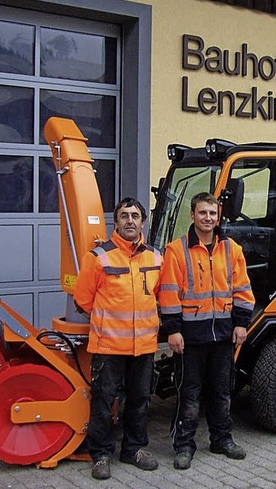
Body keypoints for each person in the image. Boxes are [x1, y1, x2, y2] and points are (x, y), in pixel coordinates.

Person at [159, 192, 255, 470]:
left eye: (213, 214)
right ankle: (184, 446)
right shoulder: (176, 250)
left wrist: (241, 323)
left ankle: (222, 439)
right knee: (189, 394)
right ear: (192, 214)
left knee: (222, 391)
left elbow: (243, 290)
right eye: (203, 213)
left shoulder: (231, 249)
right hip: (190, 338)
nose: (208, 218)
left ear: (218, 217)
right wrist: (173, 331)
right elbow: (168, 295)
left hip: (224, 335)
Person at [73, 197, 162, 480]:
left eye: (135, 216)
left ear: (143, 222)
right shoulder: (99, 257)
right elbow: (82, 300)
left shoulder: (155, 256)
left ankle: (133, 449)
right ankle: (100, 455)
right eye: (124, 216)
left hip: (143, 346)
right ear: (116, 222)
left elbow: (160, 295)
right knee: (103, 400)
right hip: (109, 345)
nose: (130, 221)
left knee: (139, 399)